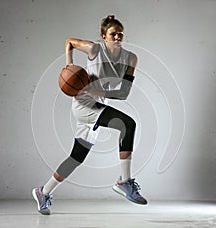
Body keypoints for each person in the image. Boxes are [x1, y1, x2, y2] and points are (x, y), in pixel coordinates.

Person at [32, 15, 148, 215]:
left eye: (121, 34)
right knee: (127, 124)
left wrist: (99, 92)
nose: (118, 37)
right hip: (84, 105)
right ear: (104, 36)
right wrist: (69, 66)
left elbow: (123, 93)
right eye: (113, 34)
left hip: (99, 103)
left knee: (77, 157)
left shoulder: (131, 58)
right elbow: (69, 42)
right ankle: (124, 181)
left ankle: (43, 191)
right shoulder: (95, 49)